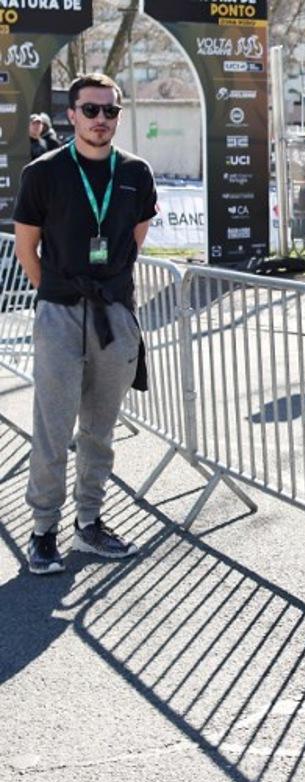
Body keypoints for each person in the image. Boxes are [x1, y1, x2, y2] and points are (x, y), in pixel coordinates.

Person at [13, 73, 157, 574]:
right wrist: (59, 292)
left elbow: (134, 239)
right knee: (53, 428)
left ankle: (90, 522)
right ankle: (43, 530)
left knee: (99, 430)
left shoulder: (136, 172)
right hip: (60, 311)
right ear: (71, 114)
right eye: (91, 110)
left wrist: (107, 292)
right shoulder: (43, 172)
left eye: (110, 111)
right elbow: (26, 248)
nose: (101, 119)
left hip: (113, 313)